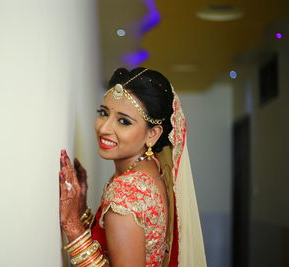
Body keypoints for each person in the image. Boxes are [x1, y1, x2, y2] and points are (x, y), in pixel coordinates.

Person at [59, 67, 206, 267]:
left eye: (123, 121)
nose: (103, 128)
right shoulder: (153, 168)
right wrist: (83, 211)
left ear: (152, 134)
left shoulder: (124, 195)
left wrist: (72, 225)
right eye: (103, 113)